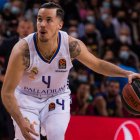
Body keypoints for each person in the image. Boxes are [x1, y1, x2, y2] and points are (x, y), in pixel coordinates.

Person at [1, 2, 140, 140]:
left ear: (59, 25)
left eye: (48, 20)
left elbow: (97, 64)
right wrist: (19, 120)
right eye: (39, 19)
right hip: (27, 98)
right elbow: (6, 92)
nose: (42, 24)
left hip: (56, 96)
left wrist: (126, 73)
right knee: (28, 136)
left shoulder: (70, 45)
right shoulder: (22, 50)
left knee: (56, 134)